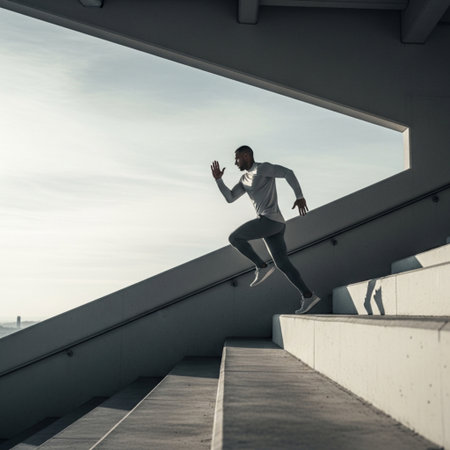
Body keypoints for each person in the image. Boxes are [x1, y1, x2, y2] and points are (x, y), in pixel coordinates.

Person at [210, 145, 321, 315]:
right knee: (283, 264)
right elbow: (230, 198)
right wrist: (218, 180)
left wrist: (299, 196)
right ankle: (308, 296)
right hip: (274, 225)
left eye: (237, 158)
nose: (235, 162)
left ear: (247, 155)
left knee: (235, 238)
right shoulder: (244, 179)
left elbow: (288, 173)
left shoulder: (262, 168)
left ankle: (261, 266)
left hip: (269, 220)